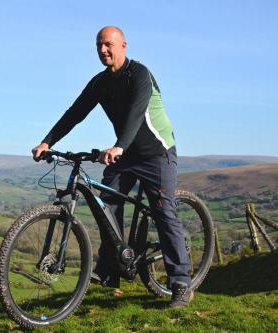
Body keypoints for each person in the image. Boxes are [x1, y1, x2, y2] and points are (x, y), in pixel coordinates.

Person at [32, 26, 193, 308]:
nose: (103, 50)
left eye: (108, 44)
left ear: (123, 46)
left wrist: (118, 146)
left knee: (163, 210)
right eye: (99, 46)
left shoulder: (139, 74)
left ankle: (181, 283)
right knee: (107, 203)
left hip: (157, 153)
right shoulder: (100, 83)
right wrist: (47, 141)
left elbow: (136, 113)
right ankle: (112, 270)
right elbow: (75, 112)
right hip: (126, 153)